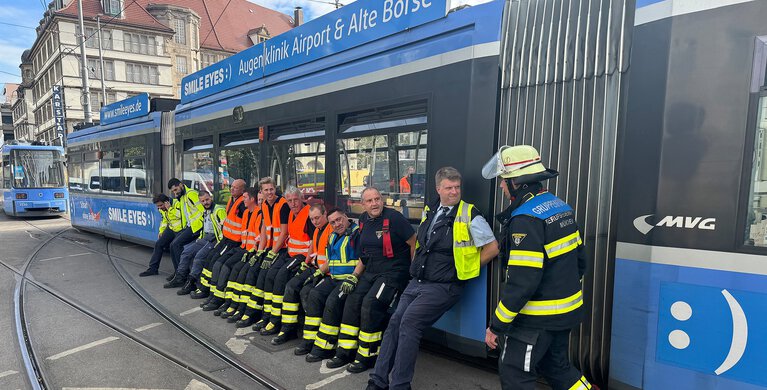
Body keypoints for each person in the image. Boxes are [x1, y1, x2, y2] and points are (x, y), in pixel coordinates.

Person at [368, 167, 499, 390]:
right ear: (438, 189)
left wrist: (464, 271)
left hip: (444, 286)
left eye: (457, 187)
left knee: (409, 323)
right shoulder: (432, 209)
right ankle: (378, 381)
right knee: (394, 322)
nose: (454, 191)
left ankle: (400, 385)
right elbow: (421, 242)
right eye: (449, 187)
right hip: (418, 281)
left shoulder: (470, 214)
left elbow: (492, 247)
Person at [481, 145, 590, 390]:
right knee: (557, 367)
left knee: (514, 371)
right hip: (567, 312)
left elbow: (522, 283)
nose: (501, 185)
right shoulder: (561, 207)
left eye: (503, 179)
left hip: (535, 319)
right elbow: (581, 261)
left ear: (517, 182)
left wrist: (496, 325)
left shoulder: (525, 219)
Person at [328, 187, 416, 373]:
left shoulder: (394, 218)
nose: (374, 203)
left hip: (393, 272)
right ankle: (346, 351)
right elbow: (364, 254)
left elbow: (414, 243)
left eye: (377, 199)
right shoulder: (363, 221)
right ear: (362, 205)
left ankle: (368, 355)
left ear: (382, 200)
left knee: (370, 304)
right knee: (352, 300)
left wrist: (412, 273)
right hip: (371, 270)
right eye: (369, 201)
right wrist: (355, 276)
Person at [271, 203, 332, 345]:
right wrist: (306, 261)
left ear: (325, 214)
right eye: (312, 219)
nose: (315, 221)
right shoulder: (318, 229)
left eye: (317, 218)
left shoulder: (331, 230)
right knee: (291, 286)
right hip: (314, 266)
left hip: (326, 272)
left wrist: (318, 271)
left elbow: (332, 258)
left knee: (307, 292)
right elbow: (313, 246)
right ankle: (288, 329)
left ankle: (310, 336)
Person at [259, 186, 314, 336]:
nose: (293, 203)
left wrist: (306, 262)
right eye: (289, 201)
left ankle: (278, 323)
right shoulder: (291, 213)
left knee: (281, 277)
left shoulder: (308, 215)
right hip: (291, 254)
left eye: (296, 200)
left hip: (302, 256)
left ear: (301, 199)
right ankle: (268, 316)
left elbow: (315, 241)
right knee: (270, 274)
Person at [202, 186, 260, 312]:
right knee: (218, 264)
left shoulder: (258, 214)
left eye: (245, 198)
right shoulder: (246, 212)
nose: (243, 200)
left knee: (227, 267)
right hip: (241, 247)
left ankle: (223, 301)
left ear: (252, 199)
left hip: (247, 249)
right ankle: (215, 297)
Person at [194, 179, 247, 300]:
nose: (232, 189)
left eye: (235, 188)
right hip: (226, 238)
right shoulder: (231, 200)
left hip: (234, 241)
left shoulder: (242, 204)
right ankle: (204, 287)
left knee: (217, 263)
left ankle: (213, 294)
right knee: (210, 257)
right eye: (231, 187)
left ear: (242, 190)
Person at [251, 177, 291, 331]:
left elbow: (284, 232)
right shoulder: (265, 205)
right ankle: (264, 316)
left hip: (281, 249)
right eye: (266, 190)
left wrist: (272, 253)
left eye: (271, 189)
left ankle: (273, 320)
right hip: (271, 248)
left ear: (276, 189)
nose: (269, 192)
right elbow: (264, 229)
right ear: (261, 192)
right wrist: (261, 251)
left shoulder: (283, 205)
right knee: (259, 275)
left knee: (269, 277)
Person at [166, 191, 226, 291]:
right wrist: (200, 238)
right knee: (186, 252)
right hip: (205, 238)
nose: (205, 202)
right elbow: (204, 227)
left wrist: (220, 243)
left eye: (207, 199)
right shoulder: (205, 211)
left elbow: (225, 229)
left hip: (215, 240)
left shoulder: (219, 210)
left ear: (211, 198)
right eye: (202, 201)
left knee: (199, 256)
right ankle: (180, 277)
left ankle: (191, 282)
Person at [167, 178, 205, 281]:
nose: (175, 192)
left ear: (181, 185)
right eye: (173, 191)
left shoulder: (191, 194)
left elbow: (203, 211)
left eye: (176, 190)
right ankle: (177, 272)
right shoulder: (182, 196)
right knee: (172, 245)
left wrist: (201, 227)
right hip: (189, 226)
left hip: (196, 227)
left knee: (176, 244)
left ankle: (182, 275)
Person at [141, 193, 184, 277]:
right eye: (158, 206)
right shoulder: (162, 209)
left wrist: (170, 209)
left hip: (181, 229)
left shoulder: (177, 203)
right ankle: (153, 269)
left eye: (161, 205)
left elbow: (181, 216)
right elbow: (164, 220)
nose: (159, 208)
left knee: (174, 247)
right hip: (171, 228)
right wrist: (161, 231)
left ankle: (178, 272)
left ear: (166, 202)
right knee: (159, 244)